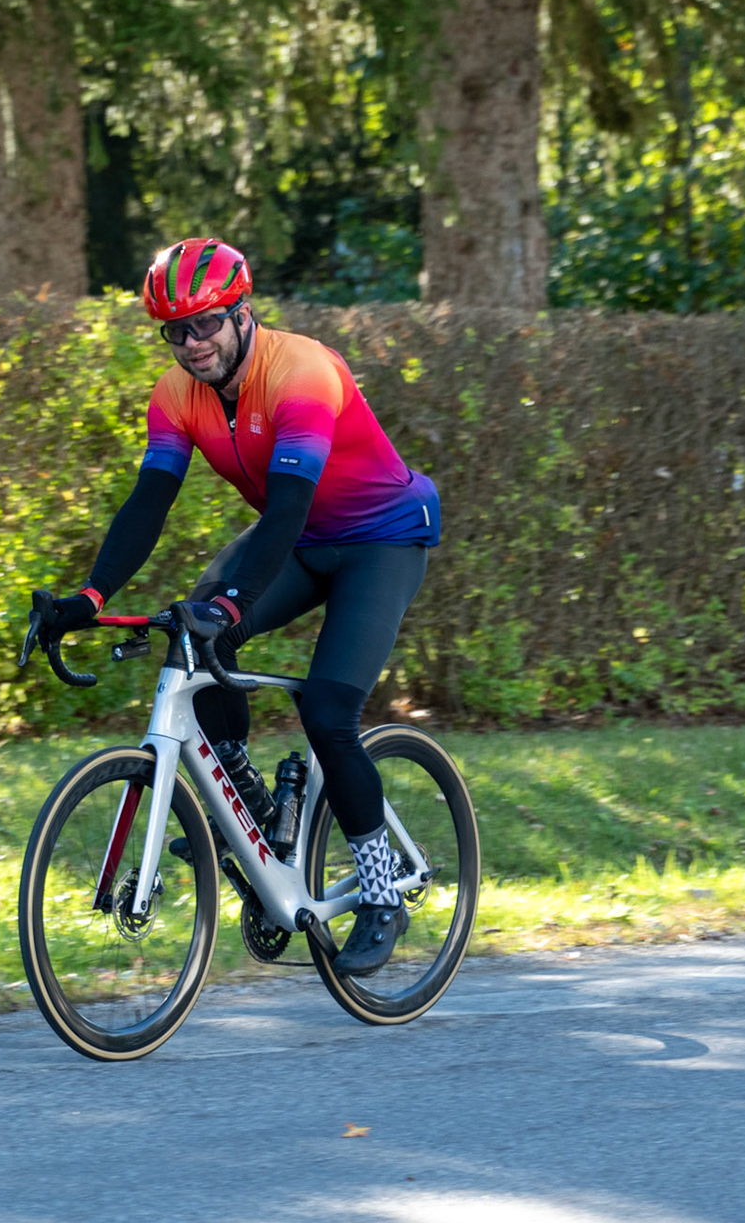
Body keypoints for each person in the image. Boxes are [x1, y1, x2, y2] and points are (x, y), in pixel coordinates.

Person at [42, 237, 440, 976]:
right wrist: (90, 596)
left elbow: (287, 508)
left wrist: (232, 607)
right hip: (303, 537)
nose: (192, 343)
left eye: (206, 324)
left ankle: (382, 889)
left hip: (379, 539)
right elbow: (150, 501)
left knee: (328, 712)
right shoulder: (176, 396)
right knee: (194, 632)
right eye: (176, 331)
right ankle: (248, 804)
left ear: (242, 314)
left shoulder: (301, 372)